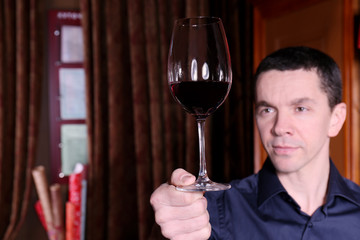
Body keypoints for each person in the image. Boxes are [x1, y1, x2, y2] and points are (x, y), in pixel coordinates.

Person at [150, 46, 360, 239]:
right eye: (267, 109)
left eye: (300, 108)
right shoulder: (210, 213)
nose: (279, 127)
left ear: (336, 119)